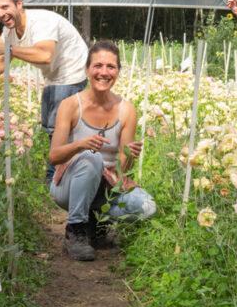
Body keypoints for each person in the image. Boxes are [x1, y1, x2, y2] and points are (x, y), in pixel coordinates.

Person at [0, 0, 88, 180]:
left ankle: (58, 176)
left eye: (5, 7)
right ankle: (67, 173)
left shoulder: (41, 21)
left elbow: (45, 55)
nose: (0, 13)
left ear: (19, 4)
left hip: (73, 71)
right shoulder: (9, 32)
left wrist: (8, 49)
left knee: (59, 127)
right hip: (53, 76)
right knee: (50, 126)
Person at [48, 40, 157, 261]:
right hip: (69, 187)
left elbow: (123, 167)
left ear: (117, 72)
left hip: (106, 188)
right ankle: (75, 230)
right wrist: (80, 145)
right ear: (87, 69)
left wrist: (129, 155)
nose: (104, 72)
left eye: (111, 67)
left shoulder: (126, 109)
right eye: (98, 66)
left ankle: (96, 223)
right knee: (91, 159)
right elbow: (54, 156)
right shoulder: (70, 105)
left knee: (146, 207)